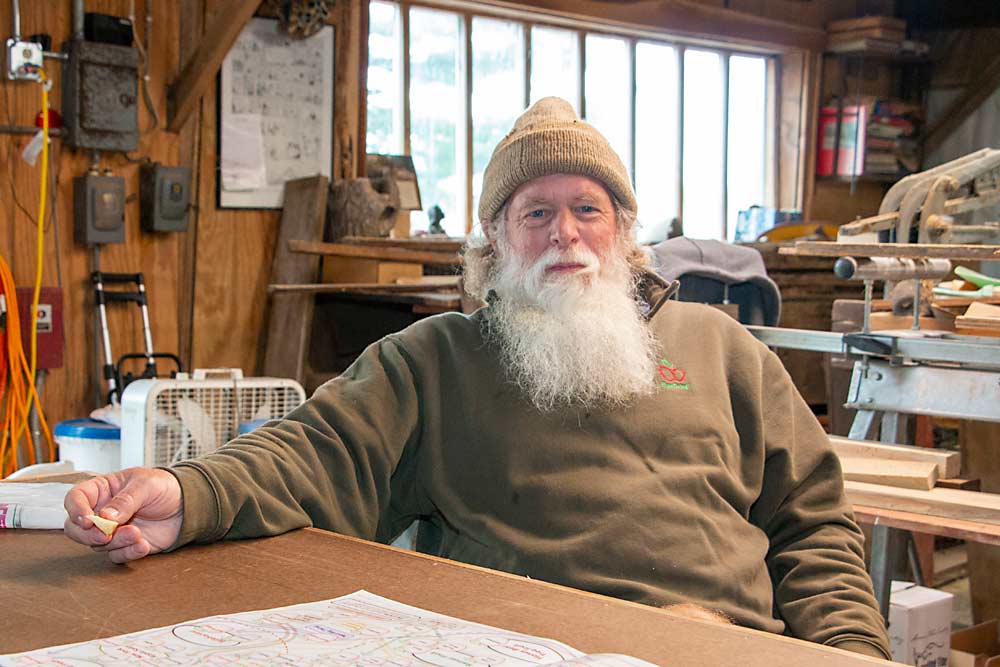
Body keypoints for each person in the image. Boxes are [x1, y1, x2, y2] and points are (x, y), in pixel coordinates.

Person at [65, 97, 890, 660]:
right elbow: (310, 454)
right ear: (495, 243)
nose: (565, 232)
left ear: (625, 233)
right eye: (535, 212)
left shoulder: (723, 348)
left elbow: (812, 527)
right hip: (535, 649)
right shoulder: (435, 361)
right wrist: (189, 493)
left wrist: (856, 657)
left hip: (725, 647)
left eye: (588, 208)